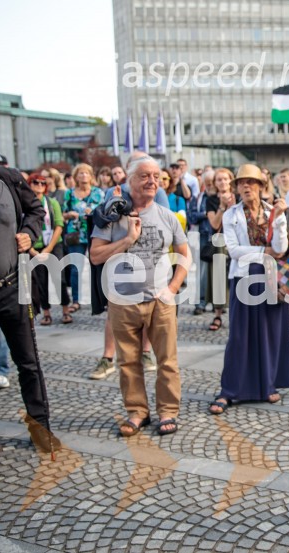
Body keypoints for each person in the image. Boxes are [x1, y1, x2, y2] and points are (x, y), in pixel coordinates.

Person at [90, 155, 190, 437]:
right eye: (145, 175)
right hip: (123, 301)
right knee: (128, 362)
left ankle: (168, 411)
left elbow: (185, 255)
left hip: (160, 301)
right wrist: (127, 240)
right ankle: (137, 412)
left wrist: (172, 288)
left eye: (156, 176)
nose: (152, 181)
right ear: (129, 180)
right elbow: (95, 255)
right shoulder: (111, 216)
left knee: (167, 361)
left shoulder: (167, 216)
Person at [208, 164, 289, 415]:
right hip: (243, 277)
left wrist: (279, 220)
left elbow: (281, 248)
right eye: (241, 182)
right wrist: (264, 251)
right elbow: (234, 251)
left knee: (270, 332)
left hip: (272, 278)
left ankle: (268, 384)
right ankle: (230, 390)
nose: (246, 186)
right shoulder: (230, 214)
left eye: (251, 182)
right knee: (239, 335)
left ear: (261, 186)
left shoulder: (273, 211)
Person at [0, 164, 60, 452]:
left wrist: (28, 232)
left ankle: (41, 430)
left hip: (12, 288)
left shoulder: (8, 178)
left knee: (28, 363)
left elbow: (36, 211)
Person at [26, 173, 72, 325]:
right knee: (40, 282)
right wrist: (32, 250)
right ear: (29, 184)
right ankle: (46, 313)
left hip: (53, 244)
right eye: (35, 182)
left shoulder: (52, 202)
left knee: (59, 278)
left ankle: (65, 310)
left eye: (42, 183)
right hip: (34, 247)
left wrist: (48, 248)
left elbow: (59, 225)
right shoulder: (24, 204)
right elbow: (20, 228)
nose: (39, 185)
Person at [63, 163, 104, 312]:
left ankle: (101, 300)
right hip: (75, 234)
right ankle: (76, 300)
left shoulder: (98, 193)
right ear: (76, 176)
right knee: (75, 268)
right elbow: (63, 214)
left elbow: (104, 212)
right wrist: (69, 214)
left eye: (86, 173)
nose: (84, 175)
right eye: (81, 173)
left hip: (95, 232)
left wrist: (93, 212)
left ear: (91, 176)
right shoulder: (69, 193)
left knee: (98, 267)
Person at [205, 168, 236, 330]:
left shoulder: (238, 198)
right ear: (215, 183)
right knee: (218, 278)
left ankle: (236, 315)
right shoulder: (211, 200)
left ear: (231, 181)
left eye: (225, 179)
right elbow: (215, 224)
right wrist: (222, 206)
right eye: (219, 179)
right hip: (219, 243)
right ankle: (217, 315)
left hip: (237, 241)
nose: (223, 182)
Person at [189, 169, 215, 315]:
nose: (210, 185)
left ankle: (218, 304)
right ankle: (201, 301)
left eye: (212, 182)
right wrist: (206, 214)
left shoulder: (222, 197)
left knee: (219, 272)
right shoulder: (199, 197)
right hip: (204, 236)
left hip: (219, 237)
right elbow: (191, 217)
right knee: (203, 272)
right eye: (207, 183)